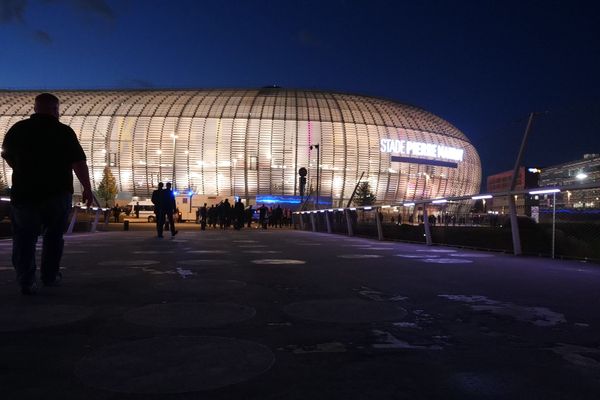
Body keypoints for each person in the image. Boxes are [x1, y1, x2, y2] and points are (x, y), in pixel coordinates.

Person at [1, 93, 93, 295]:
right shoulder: (63, 132)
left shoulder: (18, 129)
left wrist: (22, 168)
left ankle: (26, 280)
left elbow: (6, 153)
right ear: (55, 109)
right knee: (53, 237)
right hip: (57, 193)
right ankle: (49, 276)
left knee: (25, 238)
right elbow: (78, 162)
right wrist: (87, 188)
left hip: (25, 193)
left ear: (35, 108)